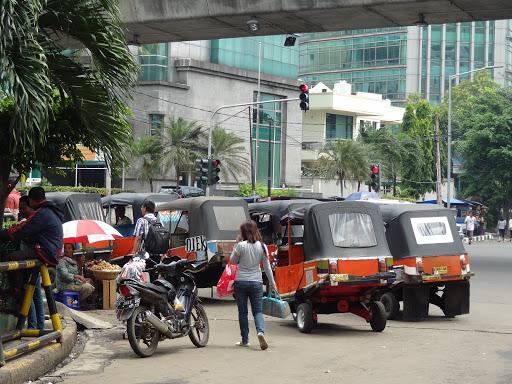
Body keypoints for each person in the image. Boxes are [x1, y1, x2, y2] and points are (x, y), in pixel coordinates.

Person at [230, 220, 277, 350]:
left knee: (243, 312)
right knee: (258, 311)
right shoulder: (262, 246)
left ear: (243, 232)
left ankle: (245, 340)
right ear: (256, 231)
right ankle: (260, 332)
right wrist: (272, 283)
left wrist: (236, 245)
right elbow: (267, 267)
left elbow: (233, 261)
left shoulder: (241, 246)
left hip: (241, 282)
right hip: (256, 282)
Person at [0, 187, 63, 266]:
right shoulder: (50, 210)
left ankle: (19, 279)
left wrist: (4, 234)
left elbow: (21, 230)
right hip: (53, 251)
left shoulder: (41, 213)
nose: (21, 211)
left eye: (23, 208)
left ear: (31, 200)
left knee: (9, 259)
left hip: (46, 251)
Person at [19, 196, 45, 330]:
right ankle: (37, 326)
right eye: (20, 208)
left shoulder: (31, 223)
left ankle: (34, 326)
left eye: (24, 208)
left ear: (31, 207)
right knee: (36, 295)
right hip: (35, 262)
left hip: (31, 263)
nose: (21, 211)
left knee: (31, 293)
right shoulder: (31, 221)